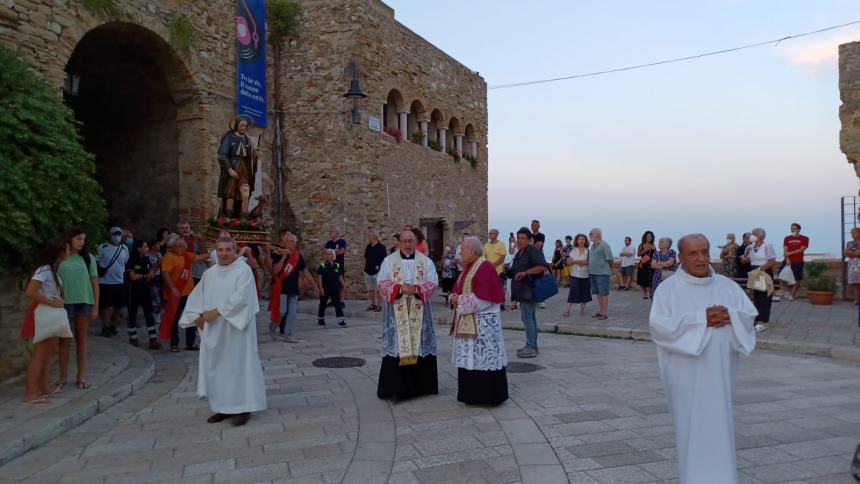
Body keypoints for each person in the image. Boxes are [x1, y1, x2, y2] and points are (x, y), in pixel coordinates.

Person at [649, 233, 757, 484]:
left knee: (719, 425)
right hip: (685, 375)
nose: (700, 258)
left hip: (720, 372)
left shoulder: (727, 286)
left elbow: (749, 316)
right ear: (682, 258)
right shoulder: (669, 290)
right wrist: (701, 319)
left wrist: (731, 316)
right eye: (693, 253)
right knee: (692, 427)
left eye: (705, 251)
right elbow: (659, 327)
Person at [179, 237, 267, 427]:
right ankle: (223, 407)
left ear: (235, 251)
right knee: (218, 368)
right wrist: (195, 315)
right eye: (221, 250)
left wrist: (213, 312)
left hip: (236, 331)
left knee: (238, 367)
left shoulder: (243, 272)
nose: (224, 253)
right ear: (216, 251)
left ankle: (243, 408)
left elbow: (242, 300)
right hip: (215, 331)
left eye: (228, 250)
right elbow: (196, 297)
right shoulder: (209, 274)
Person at [376, 229, 439, 400]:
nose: (408, 244)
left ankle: (421, 387)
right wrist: (399, 288)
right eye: (404, 241)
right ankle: (397, 388)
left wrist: (418, 289)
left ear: (416, 241)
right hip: (397, 312)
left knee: (419, 344)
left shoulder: (425, 262)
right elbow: (381, 281)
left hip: (419, 311)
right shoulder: (389, 261)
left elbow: (433, 281)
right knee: (398, 345)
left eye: (411, 241)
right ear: (399, 242)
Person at [449, 236, 508, 406]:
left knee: (483, 359)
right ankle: (471, 395)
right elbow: (458, 289)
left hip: (483, 326)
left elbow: (485, 298)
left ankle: (488, 396)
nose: (461, 251)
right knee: (470, 360)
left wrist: (458, 301)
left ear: (472, 251)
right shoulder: (468, 268)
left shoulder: (485, 267)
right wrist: (454, 296)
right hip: (468, 323)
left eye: (463, 248)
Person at [22, 240, 71, 404]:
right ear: (59, 253)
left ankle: (43, 386)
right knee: (40, 354)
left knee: (48, 352)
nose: (69, 251)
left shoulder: (51, 270)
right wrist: (52, 303)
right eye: (67, 249)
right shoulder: (44, 270)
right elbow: (30, 291)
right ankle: (30, 393)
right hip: (43, 314)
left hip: (49, 315)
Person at [57, 227, 99, 391]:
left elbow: (94, 282)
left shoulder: (88, 258)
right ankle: (62, 378)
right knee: (64, 341)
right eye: (78, 239)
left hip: (84, 301)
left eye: (83, 239)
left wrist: (95, 305)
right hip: (63, 303)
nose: (82, 242)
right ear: (70, 239)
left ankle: (81, 377)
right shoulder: (61, 257)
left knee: (82, 339)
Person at [159, 234, 209, 352]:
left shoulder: (185, 254)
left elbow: (199, 258)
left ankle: (190, 343)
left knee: (192, 315)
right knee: (174, 317)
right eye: (178, 238)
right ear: (174, 243)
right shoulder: (169, 256)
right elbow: (165, 273)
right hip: (177, 292)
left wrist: (214, 251)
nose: (181, 239)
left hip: (189, 292)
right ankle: (174, 344)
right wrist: (172, 288)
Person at [505, 227, 548, 358]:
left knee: (527, 317)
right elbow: (515, 270)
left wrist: (526, 273)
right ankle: (532, 345)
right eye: (518, 238)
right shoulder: (520, 253)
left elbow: (542, 266)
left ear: (530, 240)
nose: (519, 240)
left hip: (530, 289)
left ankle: (531, 346)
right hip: (522, 290)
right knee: (530, 317)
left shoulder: (533, 251)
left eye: (523, 238)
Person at [269, 233, 315, 342]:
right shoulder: (278, 253)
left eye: (292, 241)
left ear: (295, 243)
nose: (290, 243)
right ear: (284, 243)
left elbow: (305, 271)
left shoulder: (298, 256)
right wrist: (284, 257)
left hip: (294, 288)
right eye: (288, 241)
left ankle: (288, 334)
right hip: (281, 287)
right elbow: (275, 271)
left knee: (292, 312)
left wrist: (314, 284)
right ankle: (273, 326)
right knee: (282, 311)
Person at [217, 117, 257, 217]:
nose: (244, 128)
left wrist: (255, 154)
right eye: (242, 125)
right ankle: (228, 220)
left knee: (245, 195)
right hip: (232, 169)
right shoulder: (229, 138)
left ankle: (243, 221)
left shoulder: (247, 140)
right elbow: (222, 155)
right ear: (236, 125)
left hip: (244, 170)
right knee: (230, 199)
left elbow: (250, 156)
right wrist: (229, 169)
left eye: (246, 126)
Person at [742, 228, 779, 332]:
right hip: (754, 271)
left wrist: (760, 269)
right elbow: (744, 261)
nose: (751, 236)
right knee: (756, 297)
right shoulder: (750, 247)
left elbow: (772, 261)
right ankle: (756, 319)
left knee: (764, 297)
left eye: (754, 234)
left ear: (760, 236)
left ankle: (763, 321)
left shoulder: (767, 246)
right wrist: (746, 253)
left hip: (764, 271)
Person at [125, 240, 159, 349]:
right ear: (138, 248)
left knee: (149, 314)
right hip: (134, 291)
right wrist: (144, 276)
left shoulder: (146, 259)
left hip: (146, 290)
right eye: (145, 246)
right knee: (132, 315)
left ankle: (153, 339)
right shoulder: (132, 260)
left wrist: (149, 273)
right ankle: (133, 338)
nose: (147, 248)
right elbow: (132, 276)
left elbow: (151, 274)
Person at [96, 226, 129, 338]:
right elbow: (96, 261)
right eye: (115, 234)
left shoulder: (124, 248)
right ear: (110, 235)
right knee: (105, 306)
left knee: (118, 306)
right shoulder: (102, 247)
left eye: (119, 234)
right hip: (105, 282)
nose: (117, 236)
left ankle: (113, 325)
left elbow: (125, 262)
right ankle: (105, 326)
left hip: (119, 281)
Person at [317, 248, 347, 326]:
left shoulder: (337, 265)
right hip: (325, 288)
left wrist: (344, 286)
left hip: (335, 288)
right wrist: (320, 288)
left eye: (329, 254)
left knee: (338, 304)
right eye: (326, 254)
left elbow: (340, 277)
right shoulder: (322, 265)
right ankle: (320, 319)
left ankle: (341, 320)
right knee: (323, 304)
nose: (327, 255)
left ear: (333, 256)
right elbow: (319, 277)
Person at [563, 234, 591, 317]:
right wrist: (576, 262)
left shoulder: (588, 251)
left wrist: (585, 262)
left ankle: (582, 311)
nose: (581, 240)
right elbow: (568, 263)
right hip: (575, 275)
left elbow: (592, 262)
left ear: (585, 241)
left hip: (585, 275)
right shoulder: (573, 251)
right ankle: (567, 310)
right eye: (579, 239)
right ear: (577, 241)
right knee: (573, 292)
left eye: (583, 239)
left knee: (585, 293)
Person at [588, 228, 613, 320]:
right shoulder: (593, 246)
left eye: (591, 233)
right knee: (598, 293)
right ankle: (600, 311)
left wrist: (610, 269)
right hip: (593, 273)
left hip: (602, 273)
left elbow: (610, 259)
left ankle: (604, 313)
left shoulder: (604, 245)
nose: (589, 235)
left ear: (598, 235)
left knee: (603, 293)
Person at [782, 223, 809, 301]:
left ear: (799, 229)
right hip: (787, 261)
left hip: (798, 261)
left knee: (797, 279)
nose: (792, 230)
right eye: (791, 228)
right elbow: (785, 249)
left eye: (794, 228)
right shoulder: (787, 238)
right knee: (783, 277)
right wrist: (787, 258)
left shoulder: (804, 238)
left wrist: (789, 253)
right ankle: (788, 291)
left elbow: (801, 249)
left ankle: (792, 294)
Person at [177, 222, 209, 288]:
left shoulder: (194, 240)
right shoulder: (176, 241)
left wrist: (201, 241)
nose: (185, 230)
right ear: (178, 230)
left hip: (197, 270)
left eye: (187, 228)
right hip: (184, 271)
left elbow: (203, 253)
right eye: (182, 228)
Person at [363, 230, 387, 312]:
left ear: (375, 236)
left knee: (378, 290)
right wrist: (364, 268)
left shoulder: (382, 247)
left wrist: (380, 268)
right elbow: (366, 258)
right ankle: (373, 304)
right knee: (370, 289)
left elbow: (384, 260)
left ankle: (379, 305)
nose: (369, 236)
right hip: (367, 271)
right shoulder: (368, 247)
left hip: (377, 272)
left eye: (370, 235)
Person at [484, 229, 508, 309]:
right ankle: (491, 302)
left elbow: (502, 257)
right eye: (489, 233)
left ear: (496, 234)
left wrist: (493, 265)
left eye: (492, 233)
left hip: (498, 271)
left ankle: (501, 303)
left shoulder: (501, 244)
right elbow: (484, 257)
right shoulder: (486, 245)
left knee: (499, 287)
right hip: (488, 271)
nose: (490, 235)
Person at [637, 231, 656, 300]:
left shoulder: (653, 245)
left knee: (650, 279)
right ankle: (644, 294)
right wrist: (645, 250)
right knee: (642, 279)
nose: (649, 237)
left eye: (650, 236)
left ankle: (650, 293)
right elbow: (638, 254)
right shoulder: (641, 245)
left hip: (650, 264)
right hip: (642, 264)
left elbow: (656, 254)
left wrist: (654, 249)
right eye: (648, 236)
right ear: (645, 237)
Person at [845, 228, 860, 305]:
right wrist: (856, 253)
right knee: (855, 283)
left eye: (854, 233)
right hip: (852, 265)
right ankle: (856, 300)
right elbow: (846, 253)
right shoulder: (849, 243)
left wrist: (852, 253)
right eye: (851, 233)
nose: (852, 235)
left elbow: (850, 253)